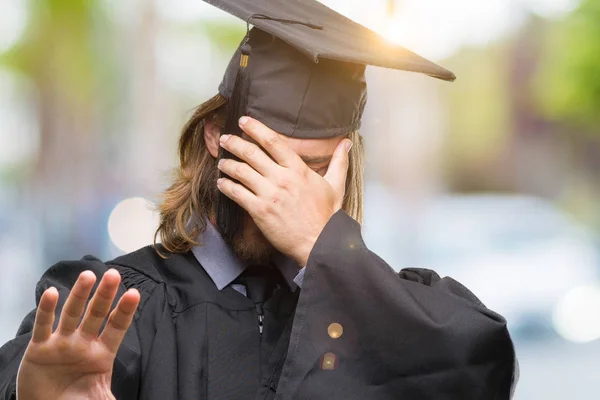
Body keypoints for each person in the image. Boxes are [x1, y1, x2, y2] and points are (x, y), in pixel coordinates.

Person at [0, 0, 518, 399]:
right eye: (268, 157)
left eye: (311, 168)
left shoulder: (381, 312)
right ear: (214, 137)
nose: (284, 189)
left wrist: (326, 249)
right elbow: (35, 366)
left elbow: (479, 369)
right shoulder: (115, 305)